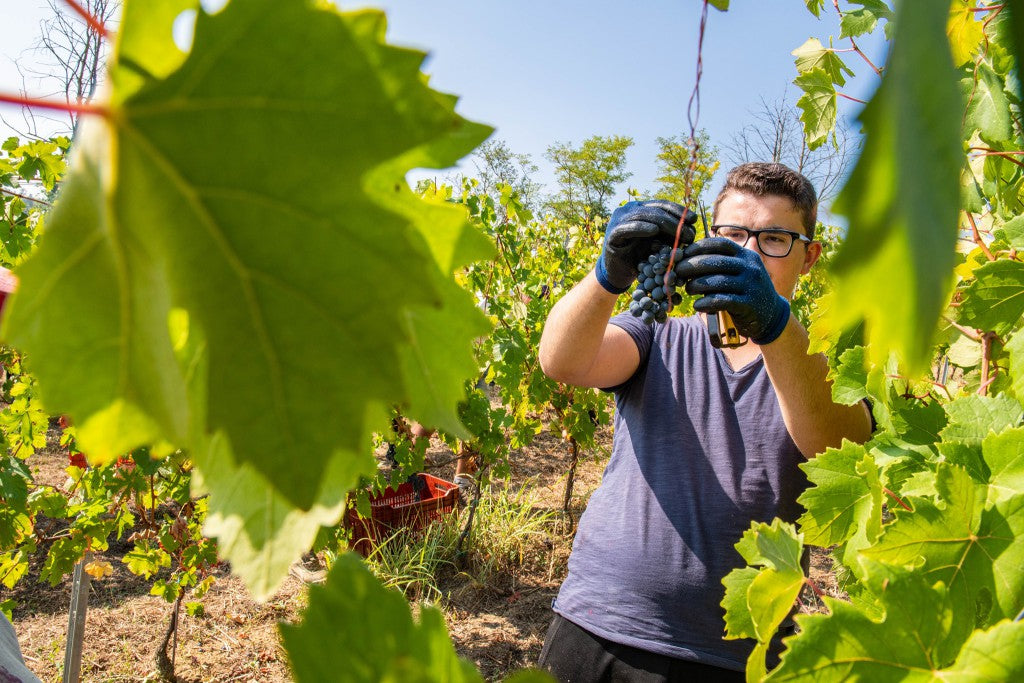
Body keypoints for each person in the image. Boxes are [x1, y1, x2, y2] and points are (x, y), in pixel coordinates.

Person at [535, 163, 872, 682]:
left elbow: (834, 441)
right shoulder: (659, 331)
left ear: (809, 256)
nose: (749, 252)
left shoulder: (832, 361)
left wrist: (776, 327)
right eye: (733, 235)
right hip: (597, 622)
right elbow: (563, 361)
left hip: (734, 654)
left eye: (774, 238)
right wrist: (606, 277)